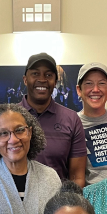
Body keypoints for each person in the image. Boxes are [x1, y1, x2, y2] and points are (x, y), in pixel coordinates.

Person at [20, 52, 86, 186]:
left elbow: (77, 177)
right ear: (25, 79)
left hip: (58, 203)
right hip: (16, 202)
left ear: (55, 82)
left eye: (48, 75)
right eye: (35, 74)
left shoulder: (71, 119)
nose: (42, 79)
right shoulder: (8, 118)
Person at [76, 62, 107, 185]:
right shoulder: (73, 122)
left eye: (101, 83)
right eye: (88, 84)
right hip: (89, 197)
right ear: (79, 90)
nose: (96, 89)